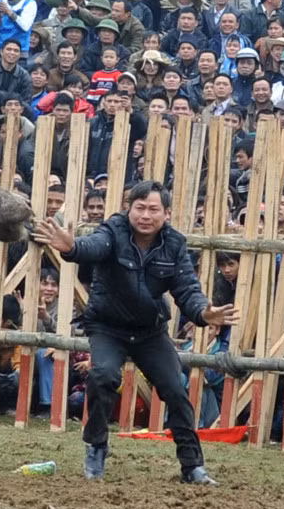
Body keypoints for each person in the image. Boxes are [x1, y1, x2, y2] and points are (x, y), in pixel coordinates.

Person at [32, 181, 238, 485]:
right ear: (129, 209)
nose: (145, 215)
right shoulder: (112, 230)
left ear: (166, 213)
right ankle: (96, 448)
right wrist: (73, 247)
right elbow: (93, 247)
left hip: (150, 331)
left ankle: (193, 467)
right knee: (103, 376)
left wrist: (203, 313)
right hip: (107, 327)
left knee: (176, 391)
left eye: (153, 209)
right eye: (139, 208)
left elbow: (187, 289)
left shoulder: (175, 244)